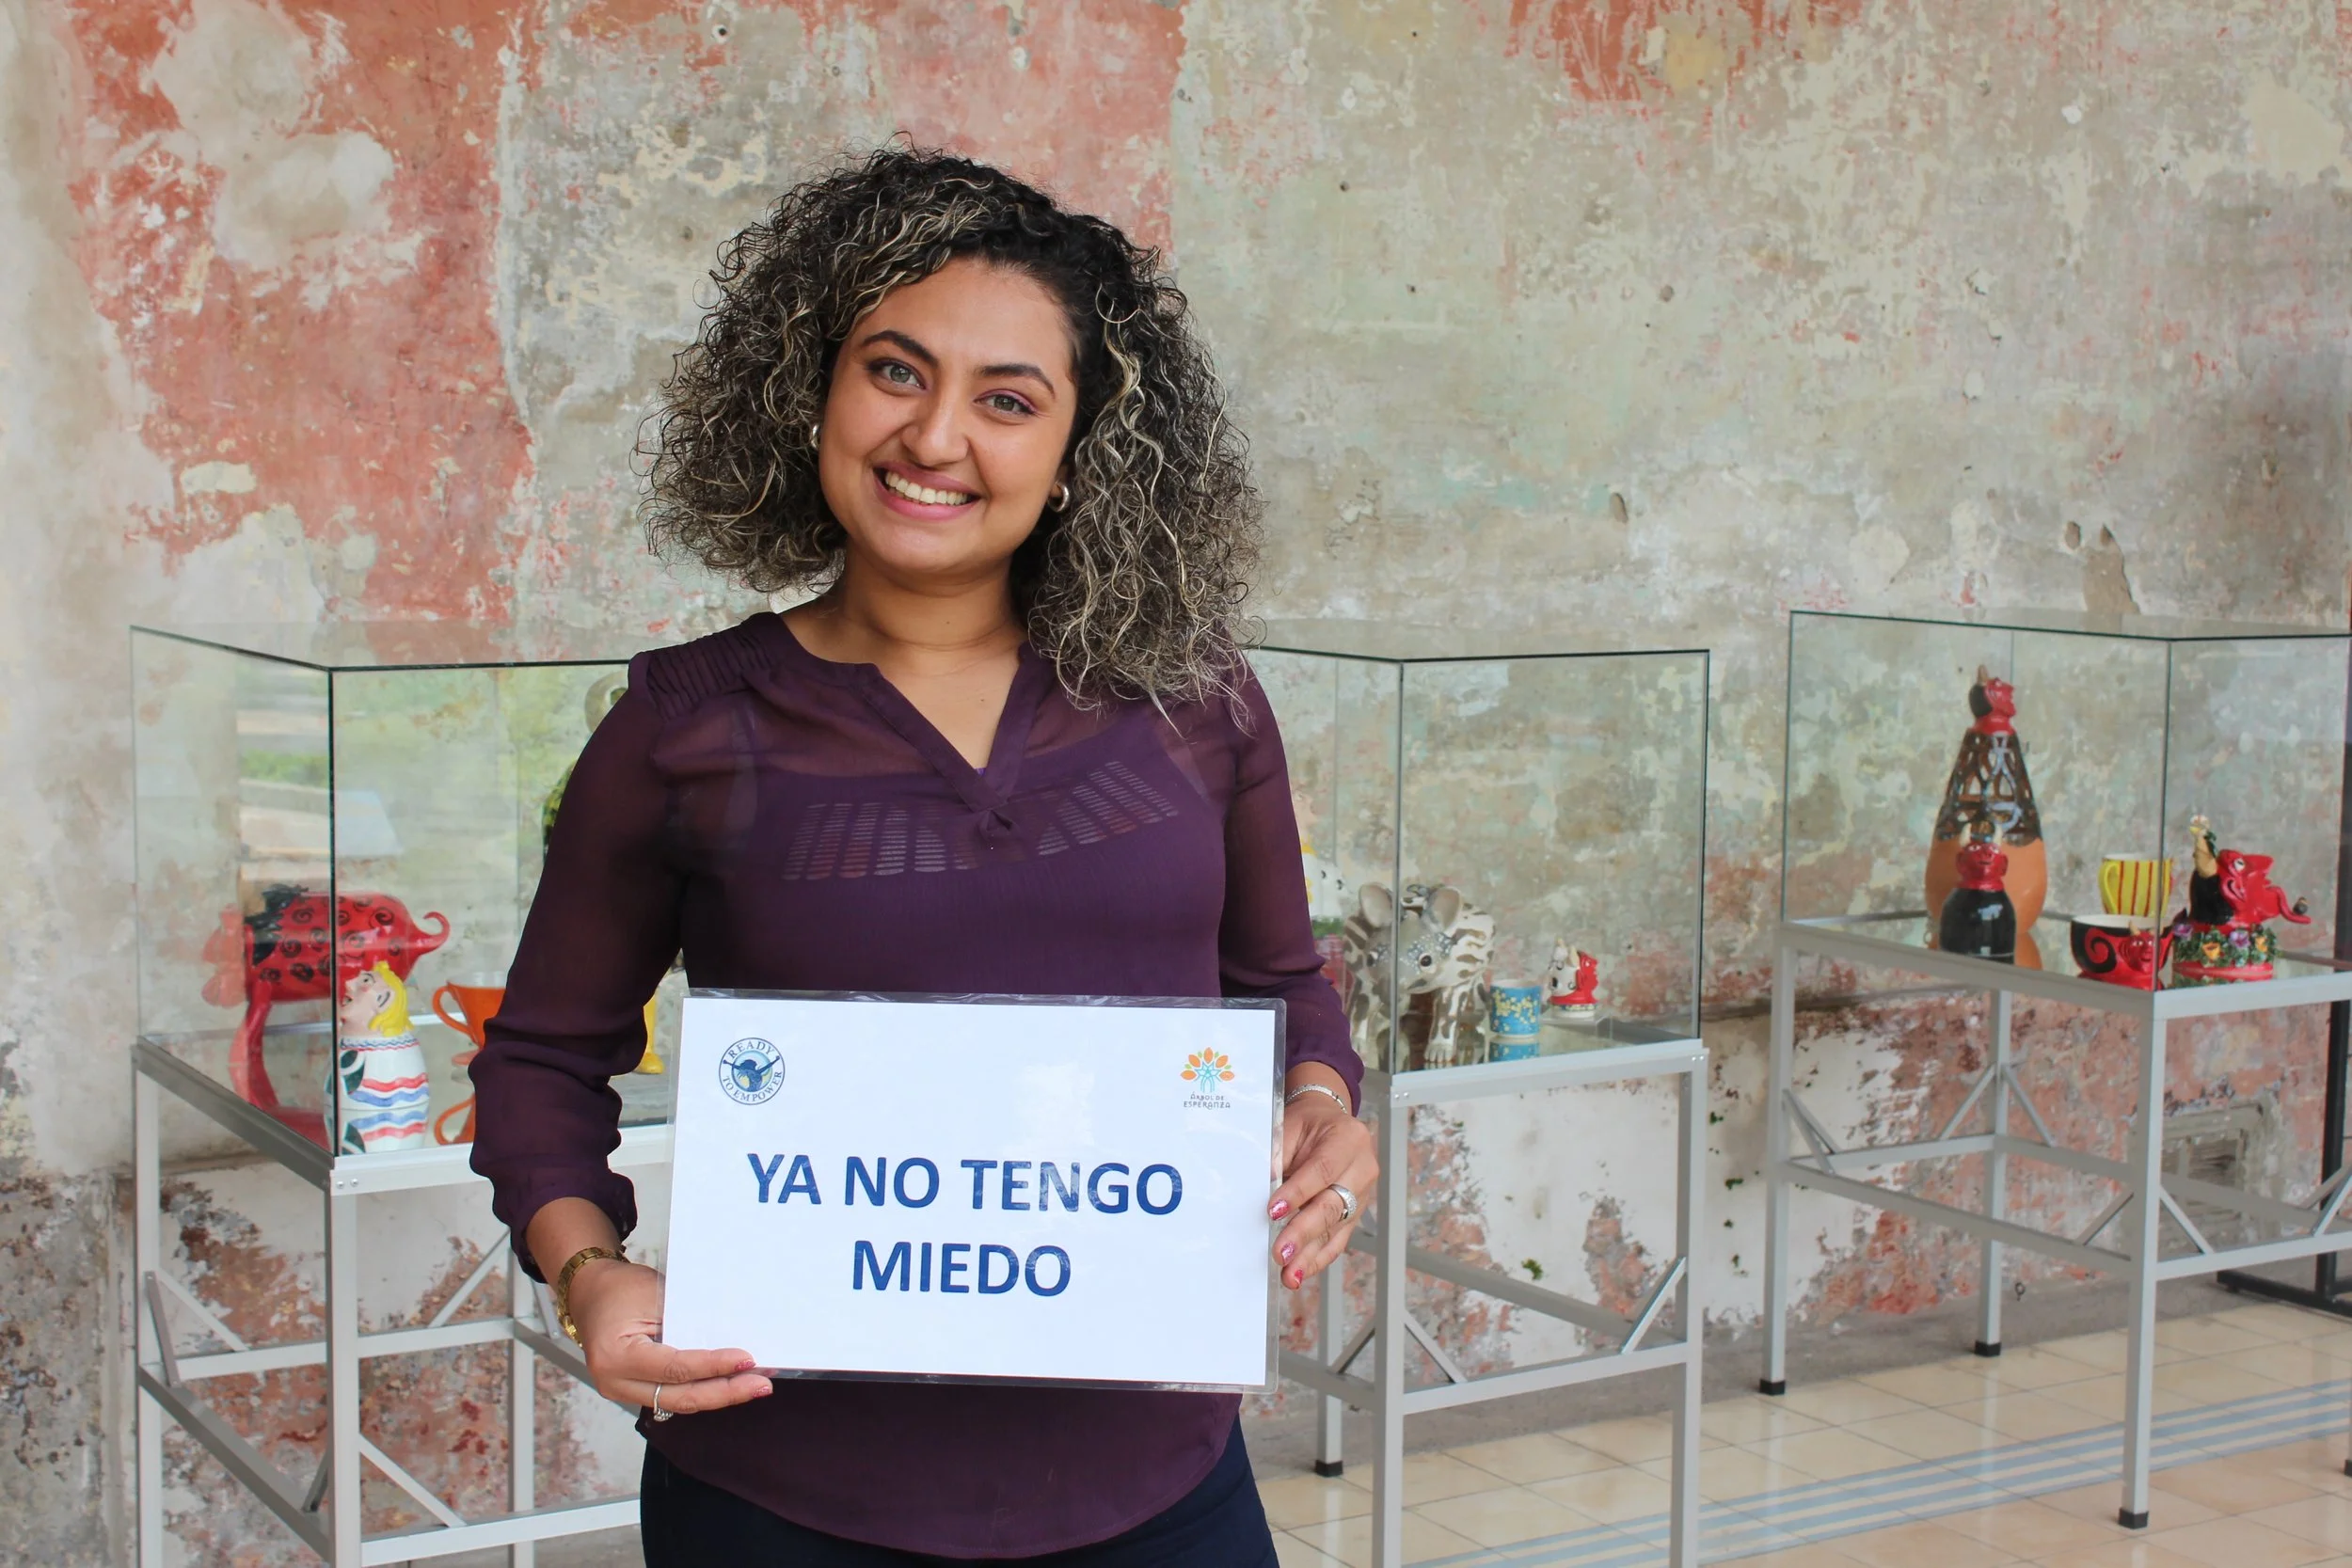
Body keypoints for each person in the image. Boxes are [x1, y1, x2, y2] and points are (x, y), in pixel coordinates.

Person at [469, 146, 1375, 1566]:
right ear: (811, 390)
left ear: (1083, 455)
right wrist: (588, 1270)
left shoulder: (1197, 704)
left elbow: (1282, 985)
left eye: (1008, 400)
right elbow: (538, 1061)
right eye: (895, 370)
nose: (937, 435)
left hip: (1156, 1483)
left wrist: (1324, 1103)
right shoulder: (682, 729)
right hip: (782, 1491)